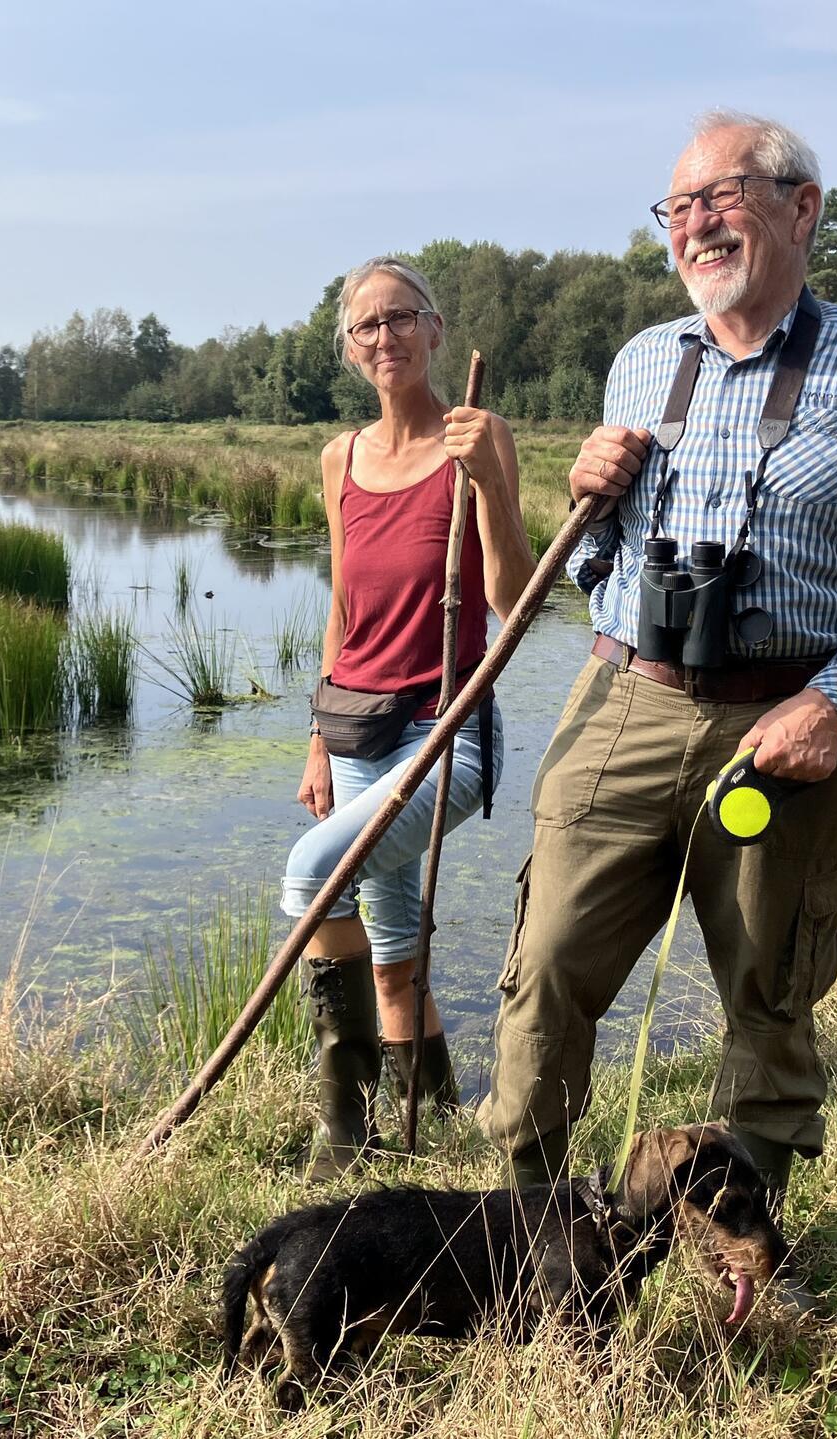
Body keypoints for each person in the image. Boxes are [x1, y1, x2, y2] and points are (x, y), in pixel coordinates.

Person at [478, 112, 837, 1204]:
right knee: (548, 966)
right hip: (625, 698)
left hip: (788, 731)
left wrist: (836, 703)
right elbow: (591, 568)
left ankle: (745, 1248)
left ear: (802, 207)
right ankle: (525, 1232)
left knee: (770, 988)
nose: (696, 226)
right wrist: (588, 503)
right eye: (678, 207)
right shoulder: (642, 363)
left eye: (724, 196)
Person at [282, 257, 536, 1181]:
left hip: (447, 726)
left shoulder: (480, 435)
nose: (384, 336)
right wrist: (317, 734)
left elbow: (512, 598)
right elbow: (343, 608)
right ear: (351, 350)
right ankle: (431, 1104)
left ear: (434, 331)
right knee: (392, 948)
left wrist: (490, 487)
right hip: (354, 724)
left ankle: (342, 1125)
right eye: (366, 326)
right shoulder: (339, 458)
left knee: (315, 870)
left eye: (401, 318)